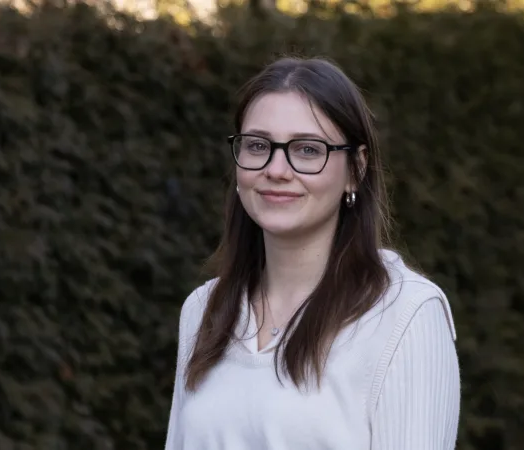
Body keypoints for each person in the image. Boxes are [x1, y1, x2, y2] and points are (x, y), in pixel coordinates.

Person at [164, 56, 460, 450]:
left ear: (355, 169)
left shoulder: (404, 314)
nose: (277, 169)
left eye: (307, 149)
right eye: (258, 145)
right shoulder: (204, 310)